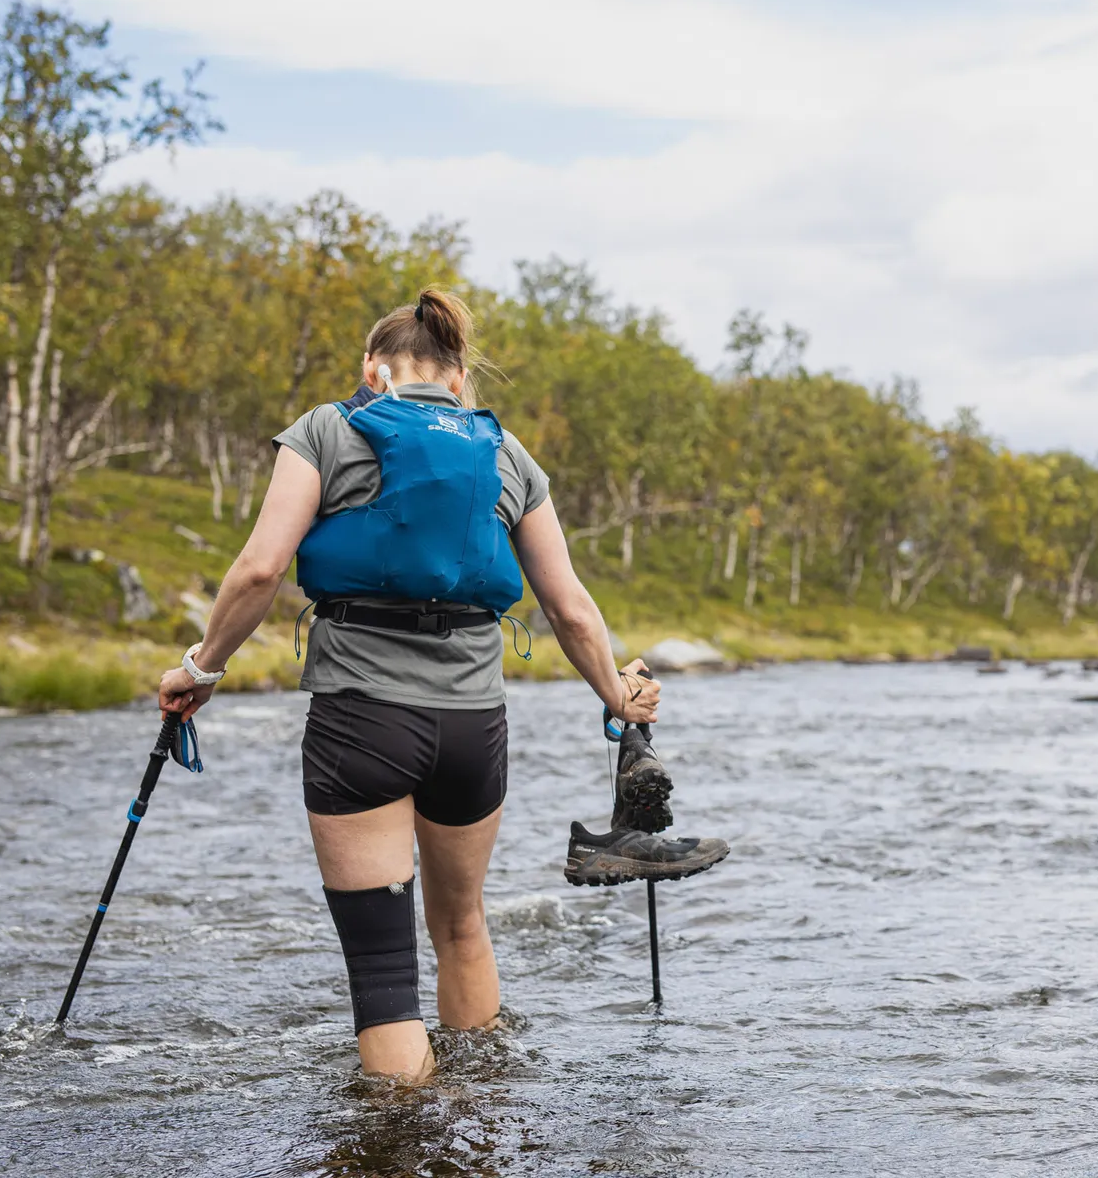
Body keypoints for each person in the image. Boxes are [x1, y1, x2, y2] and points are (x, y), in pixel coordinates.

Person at [156, 287, 727, 1084]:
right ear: (459, 378)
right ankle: (479, 1125)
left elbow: (258, 571)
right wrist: (617, 696)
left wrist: (200, 669)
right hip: (472, 730)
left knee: (384, 969)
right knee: (462, 927)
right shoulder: (506, 453)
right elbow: (569, 607)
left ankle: (399, 1141)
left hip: (362, 724)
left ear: (372, 370)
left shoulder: (328, 429)